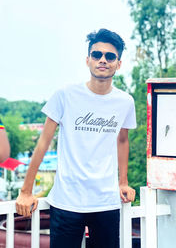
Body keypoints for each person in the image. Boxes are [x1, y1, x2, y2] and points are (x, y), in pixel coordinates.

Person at [16, 28, 137, 248]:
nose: (102, 60)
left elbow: (122, 140)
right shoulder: (65, 95)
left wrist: (123, 182)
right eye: (96, 54)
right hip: (67, 201)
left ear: (118, 63)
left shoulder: (125, 102)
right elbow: (43, 143)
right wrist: (26, 191)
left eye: (110, 56)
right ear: (87, 60)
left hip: (106, 203)